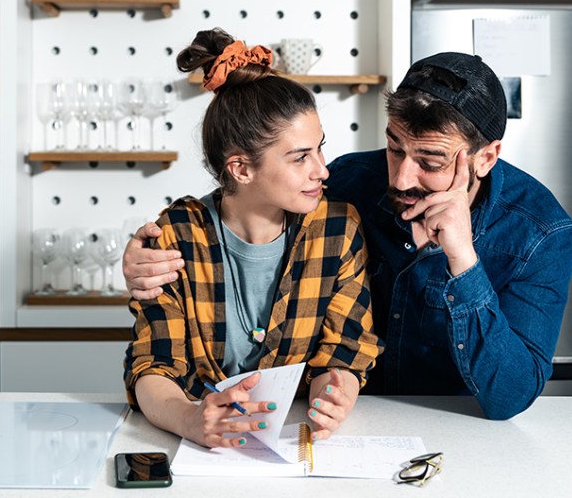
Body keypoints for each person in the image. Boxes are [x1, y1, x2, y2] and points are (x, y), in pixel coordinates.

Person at [123, 51, 572, 421]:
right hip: (351, 424)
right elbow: (250, 195)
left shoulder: (541, 233)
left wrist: (463, 260)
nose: (400, 178)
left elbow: (511, 398)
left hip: (460, 428)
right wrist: (150, 251)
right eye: (395, 147)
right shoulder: (349, 182)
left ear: (486, 157)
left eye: (431, 163)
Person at [124, 28, 383, 449]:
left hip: (290, 439)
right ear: (241, 169)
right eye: (301, 157)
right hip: (192, 445)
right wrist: (191, 420)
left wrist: (335, 397)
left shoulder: (337, 227)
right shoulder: (175, 234)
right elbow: (153, 366)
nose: (322, 170)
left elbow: (344, 350)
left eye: (319, 149)